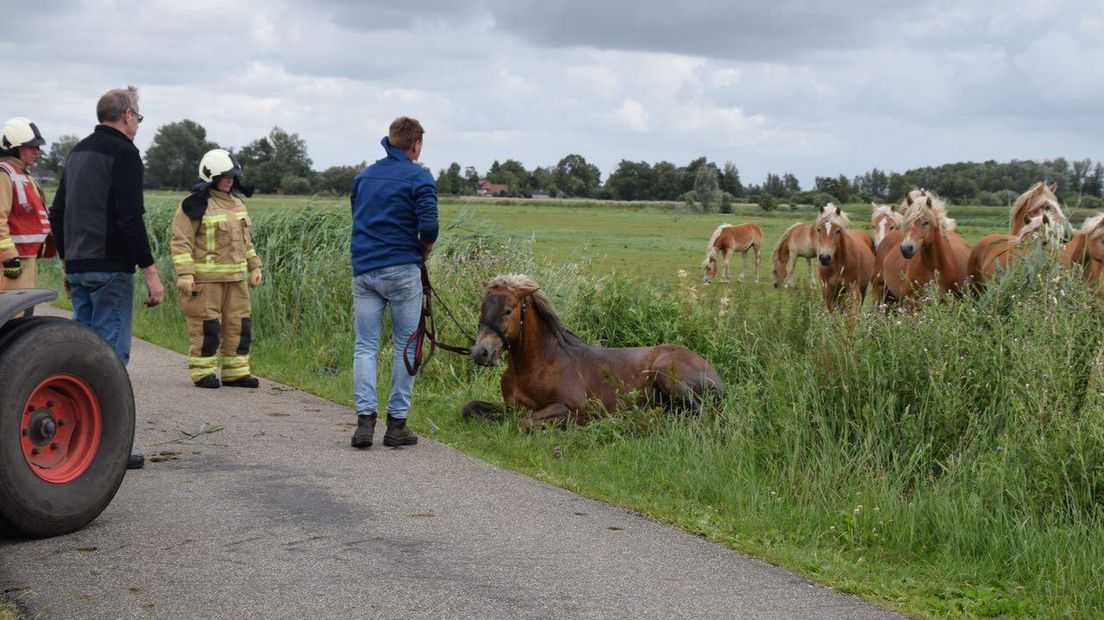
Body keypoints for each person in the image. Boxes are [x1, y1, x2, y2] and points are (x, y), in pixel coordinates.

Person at [48, 86, 164, 470]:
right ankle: (110, 447)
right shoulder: (125, 153)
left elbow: (58, 211)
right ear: (127, 115)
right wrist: (150, 272)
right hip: (111, 269)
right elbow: (130, 217)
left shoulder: (77, 152)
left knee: (79, 359)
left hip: (80, 267)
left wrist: (68, 263)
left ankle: (75, 439)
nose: (138, 125)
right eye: (139, 117)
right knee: (111, 360)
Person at [349, 116, 438, 449]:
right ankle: (396, 424)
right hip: (402, 271)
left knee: (365, 347)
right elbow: (429, 227)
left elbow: (357, 216)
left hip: (365, 270)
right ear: (416, 144)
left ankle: (364, 422)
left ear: (391, 140)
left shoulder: (363, 177)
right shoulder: (420, 177)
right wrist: (424, 250)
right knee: (406, 345)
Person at [170, 148, 262, 389]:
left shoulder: (237, 204)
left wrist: (254, 266)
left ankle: (236, 372)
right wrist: (185, 273)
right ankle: (203, 372)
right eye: (225, 176)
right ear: (210, 176)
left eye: (232, 177)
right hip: (206, 281)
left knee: (239, 325)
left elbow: (246, 241)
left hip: (236, 279)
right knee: (206, 325)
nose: (230, 180)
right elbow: (181, 241)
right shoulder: (195, 205)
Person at [0, 117, 55, 289]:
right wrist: (8, 256)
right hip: (12, 262)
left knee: (26, 314)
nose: (36, 151)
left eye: (37, 146)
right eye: (31, 146)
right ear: (15, 148)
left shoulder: (23, 174)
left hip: (27, 258)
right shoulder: (4, 174)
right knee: (13, 315)